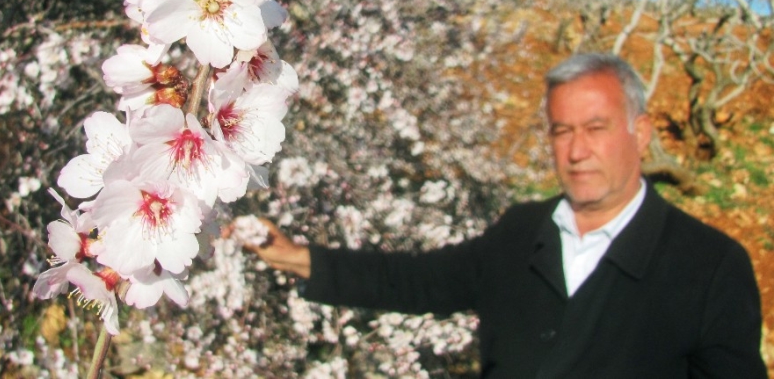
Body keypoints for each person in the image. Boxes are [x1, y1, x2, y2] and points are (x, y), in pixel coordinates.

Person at [245, 53, 767, 378]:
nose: (577, 151)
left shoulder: (709, 266)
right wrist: (299, 259)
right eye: (562, 131)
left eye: (597, 128)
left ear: (643, 133)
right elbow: (419, 281)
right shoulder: (523, 232)